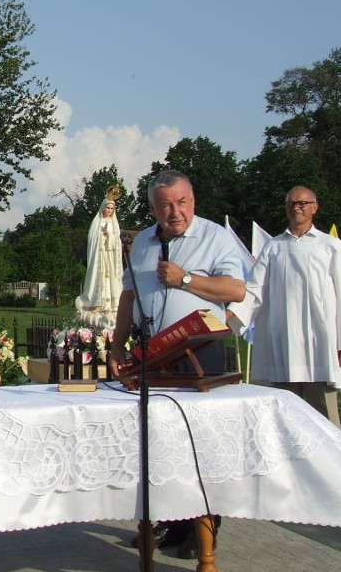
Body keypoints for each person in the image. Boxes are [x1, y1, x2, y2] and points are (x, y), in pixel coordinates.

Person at [108, 170, 246, 559]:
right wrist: (117, 346)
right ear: (153, 208)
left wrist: (186, 280)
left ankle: (203, 530)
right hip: (154, 355)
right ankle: (171, 522)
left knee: (200, 444)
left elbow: (236, 290)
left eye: (182, 202)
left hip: (200, 355)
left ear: (193, 201)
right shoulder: (143, 244)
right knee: (162, 443)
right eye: (166, 204)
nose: (175, 212)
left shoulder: (214, 237)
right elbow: (127, 299)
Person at [227, 186, 341, 428]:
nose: (296, 208)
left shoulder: (330, 246)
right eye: (291, 203)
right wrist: (231, 314)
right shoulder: (274, 247)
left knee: (324, 417)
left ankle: (332, 463)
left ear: (314, 207)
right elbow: (254, 289)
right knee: (287, 415)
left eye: (302, 203)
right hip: (285, 342)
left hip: (320, 342)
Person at [76, 197, 122, 315]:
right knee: (100, 278)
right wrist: (103, 236)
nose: (109, 211)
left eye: (112, 208)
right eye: (108, 208)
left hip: (110, 255)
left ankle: (112, 304)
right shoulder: (97, 222)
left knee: (111, 278)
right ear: (103, 207)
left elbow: (117, 241)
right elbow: (92, 239)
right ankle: (96, 303)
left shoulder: (114, 224)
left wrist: (109, 236)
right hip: (100, 256)